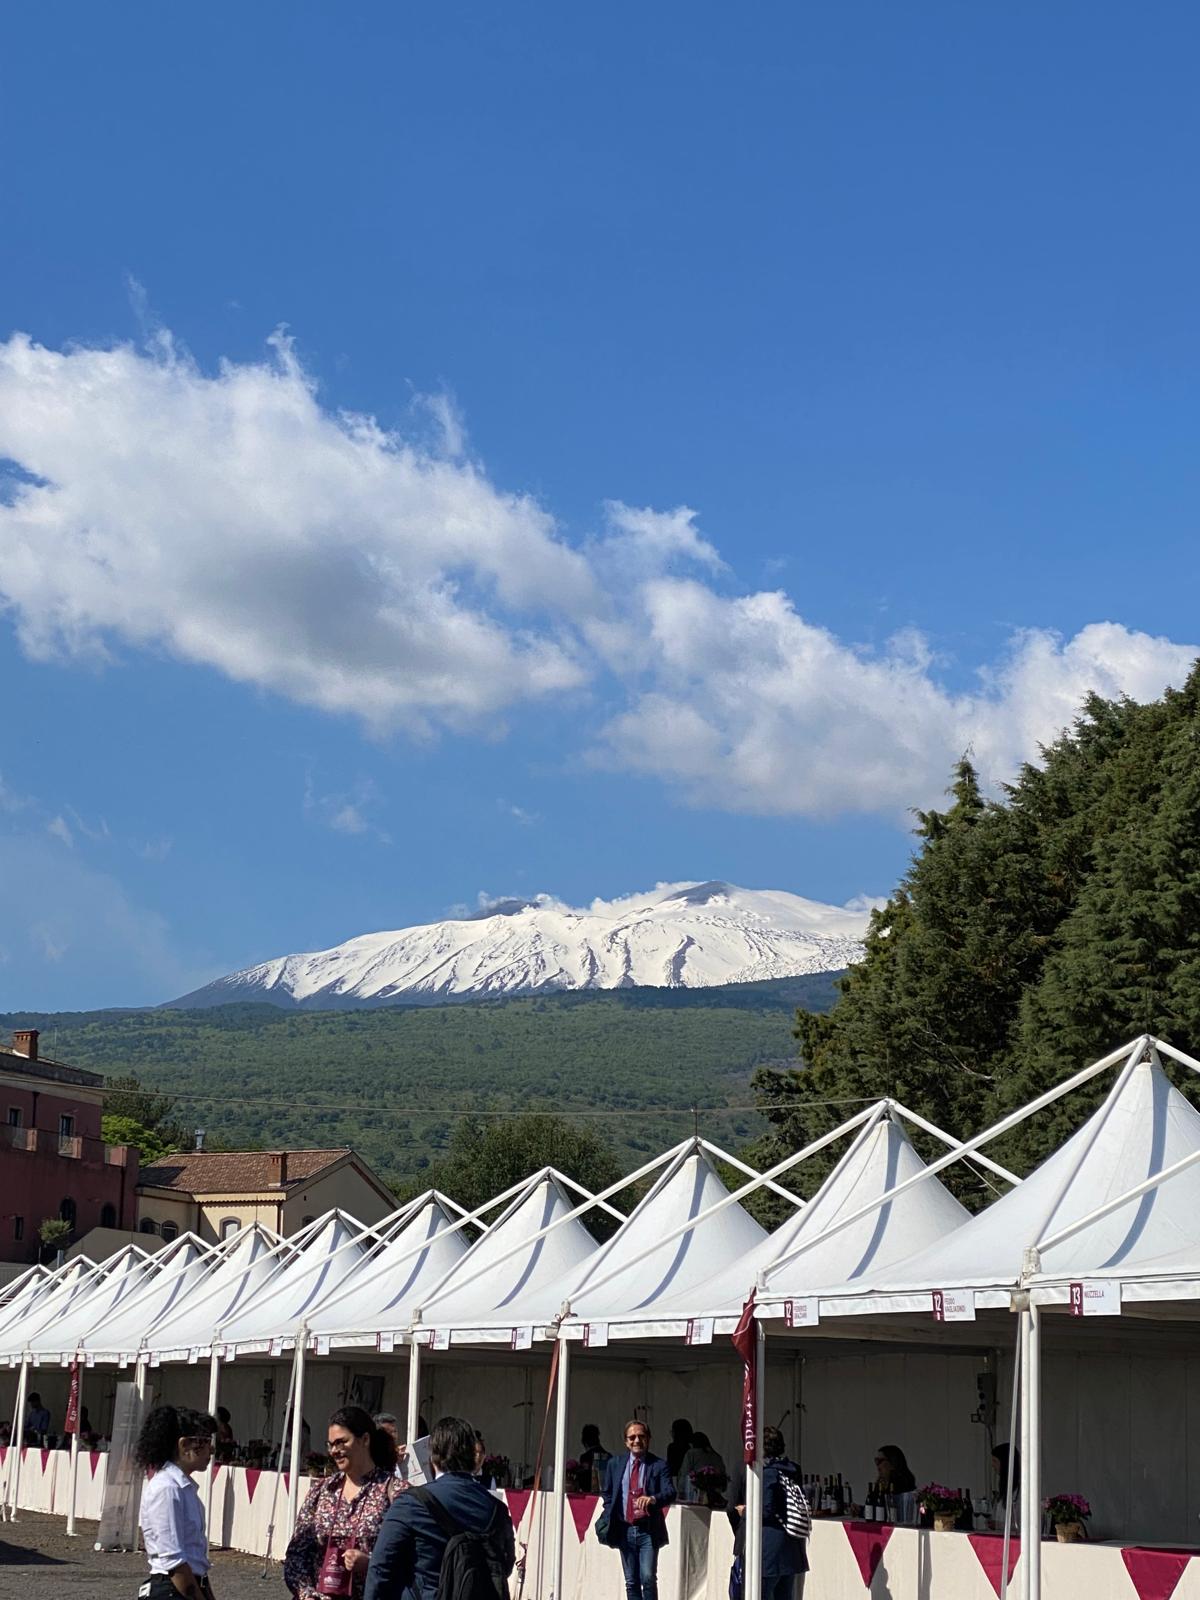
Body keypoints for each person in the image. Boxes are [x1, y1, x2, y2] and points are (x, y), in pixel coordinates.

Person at [364, 1415, 515, 1600]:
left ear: (432, 1457)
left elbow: (380, 1568)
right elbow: (506, 1564)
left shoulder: (410, 1503)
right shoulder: (497, 1508)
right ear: (473, 1456)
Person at [284, 1406, 399, 1599]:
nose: (334, 1451)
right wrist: (306, 1593)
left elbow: (411, 1558)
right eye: (330, 1445)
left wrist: (371, 1564)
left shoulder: (395, 1492)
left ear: (365, 1439)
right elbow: (297, 1554)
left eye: (341, 1442)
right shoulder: (321, 1491)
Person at [135, 1403, 218, 1600]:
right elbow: (174, 1562)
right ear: (184, 1445)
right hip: (173, 1589)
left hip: (188, 1584)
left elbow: (194, 1559)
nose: (212, 1449)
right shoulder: (167, 1488)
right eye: (206, 1441)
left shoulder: (184, 1488)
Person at [598, 1419, 677, 1600]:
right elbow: (607, 1492)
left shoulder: (659, 1465)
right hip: (624, 1529)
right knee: (631, 1581)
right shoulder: (615, 1464)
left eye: (641, 1436)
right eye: (632, 1437)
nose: (636, 1441)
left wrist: (653, 1499)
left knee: (648, 1578)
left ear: (648, 1439)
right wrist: (610, 1512)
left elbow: (670, 1492)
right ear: (626, 1441)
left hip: (648, 1530)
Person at [729, 1425, 808, 1600]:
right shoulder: (793, 1469)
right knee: (785, 1594)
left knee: (760, 1594)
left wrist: (745, 1512)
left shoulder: (766, 1473)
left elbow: (765, 1510)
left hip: (768, 1549)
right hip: (791, 1544)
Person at [677, 1430, 727, 1505]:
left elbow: (685, 1475)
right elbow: (723, 1482)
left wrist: (681, 1490)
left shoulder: (691, 1454)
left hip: (695, 1496)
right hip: (715, 1497)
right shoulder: (716, 1456)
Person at [991, 1443, 1021, 1529]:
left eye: (995, 1461)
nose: (993, 1465)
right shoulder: (1004, 1488)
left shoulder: (1021, 1491)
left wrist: (998, 1525)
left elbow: (1021, 1525)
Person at [578, 1422, 612, 1493]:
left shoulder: (585, 1457)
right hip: (607, 1493)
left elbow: (583, 1481)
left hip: (590, 1495)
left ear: (584, 1441)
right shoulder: (609, 1456)